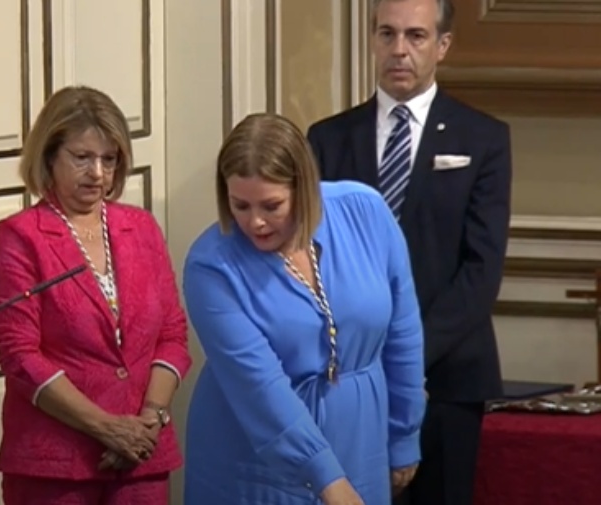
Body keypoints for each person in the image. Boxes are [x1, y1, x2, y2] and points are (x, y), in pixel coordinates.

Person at [306, 1, 512, 504]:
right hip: (350, 375)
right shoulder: (328, 139)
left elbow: (481, 271)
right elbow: (314, 258)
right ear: (373, 41)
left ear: (442, 45)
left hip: (447, 376)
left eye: (416, 36)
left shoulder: (484, 138)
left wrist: (407, 357)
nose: (399, 50)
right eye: (387, 34)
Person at [182, 112, 426, 505]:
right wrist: (328, 479)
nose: (255, 222)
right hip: (253, 456)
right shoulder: (211, 264)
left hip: (361, 438)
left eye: (271, 205)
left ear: (304, 188)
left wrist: (405, 432)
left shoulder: (364, 211)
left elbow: (403, 331)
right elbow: (257, 385)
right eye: (240, 205)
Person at [0, 85, 192, 505]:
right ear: (49, 157)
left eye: (109, 159)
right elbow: (20, 356)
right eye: (82, 157)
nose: (97, 173)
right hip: (56, 467)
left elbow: (172, 334)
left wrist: (150, 418)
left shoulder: (142, 228)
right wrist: (105, 427)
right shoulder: (21, 237)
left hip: (142, 460)